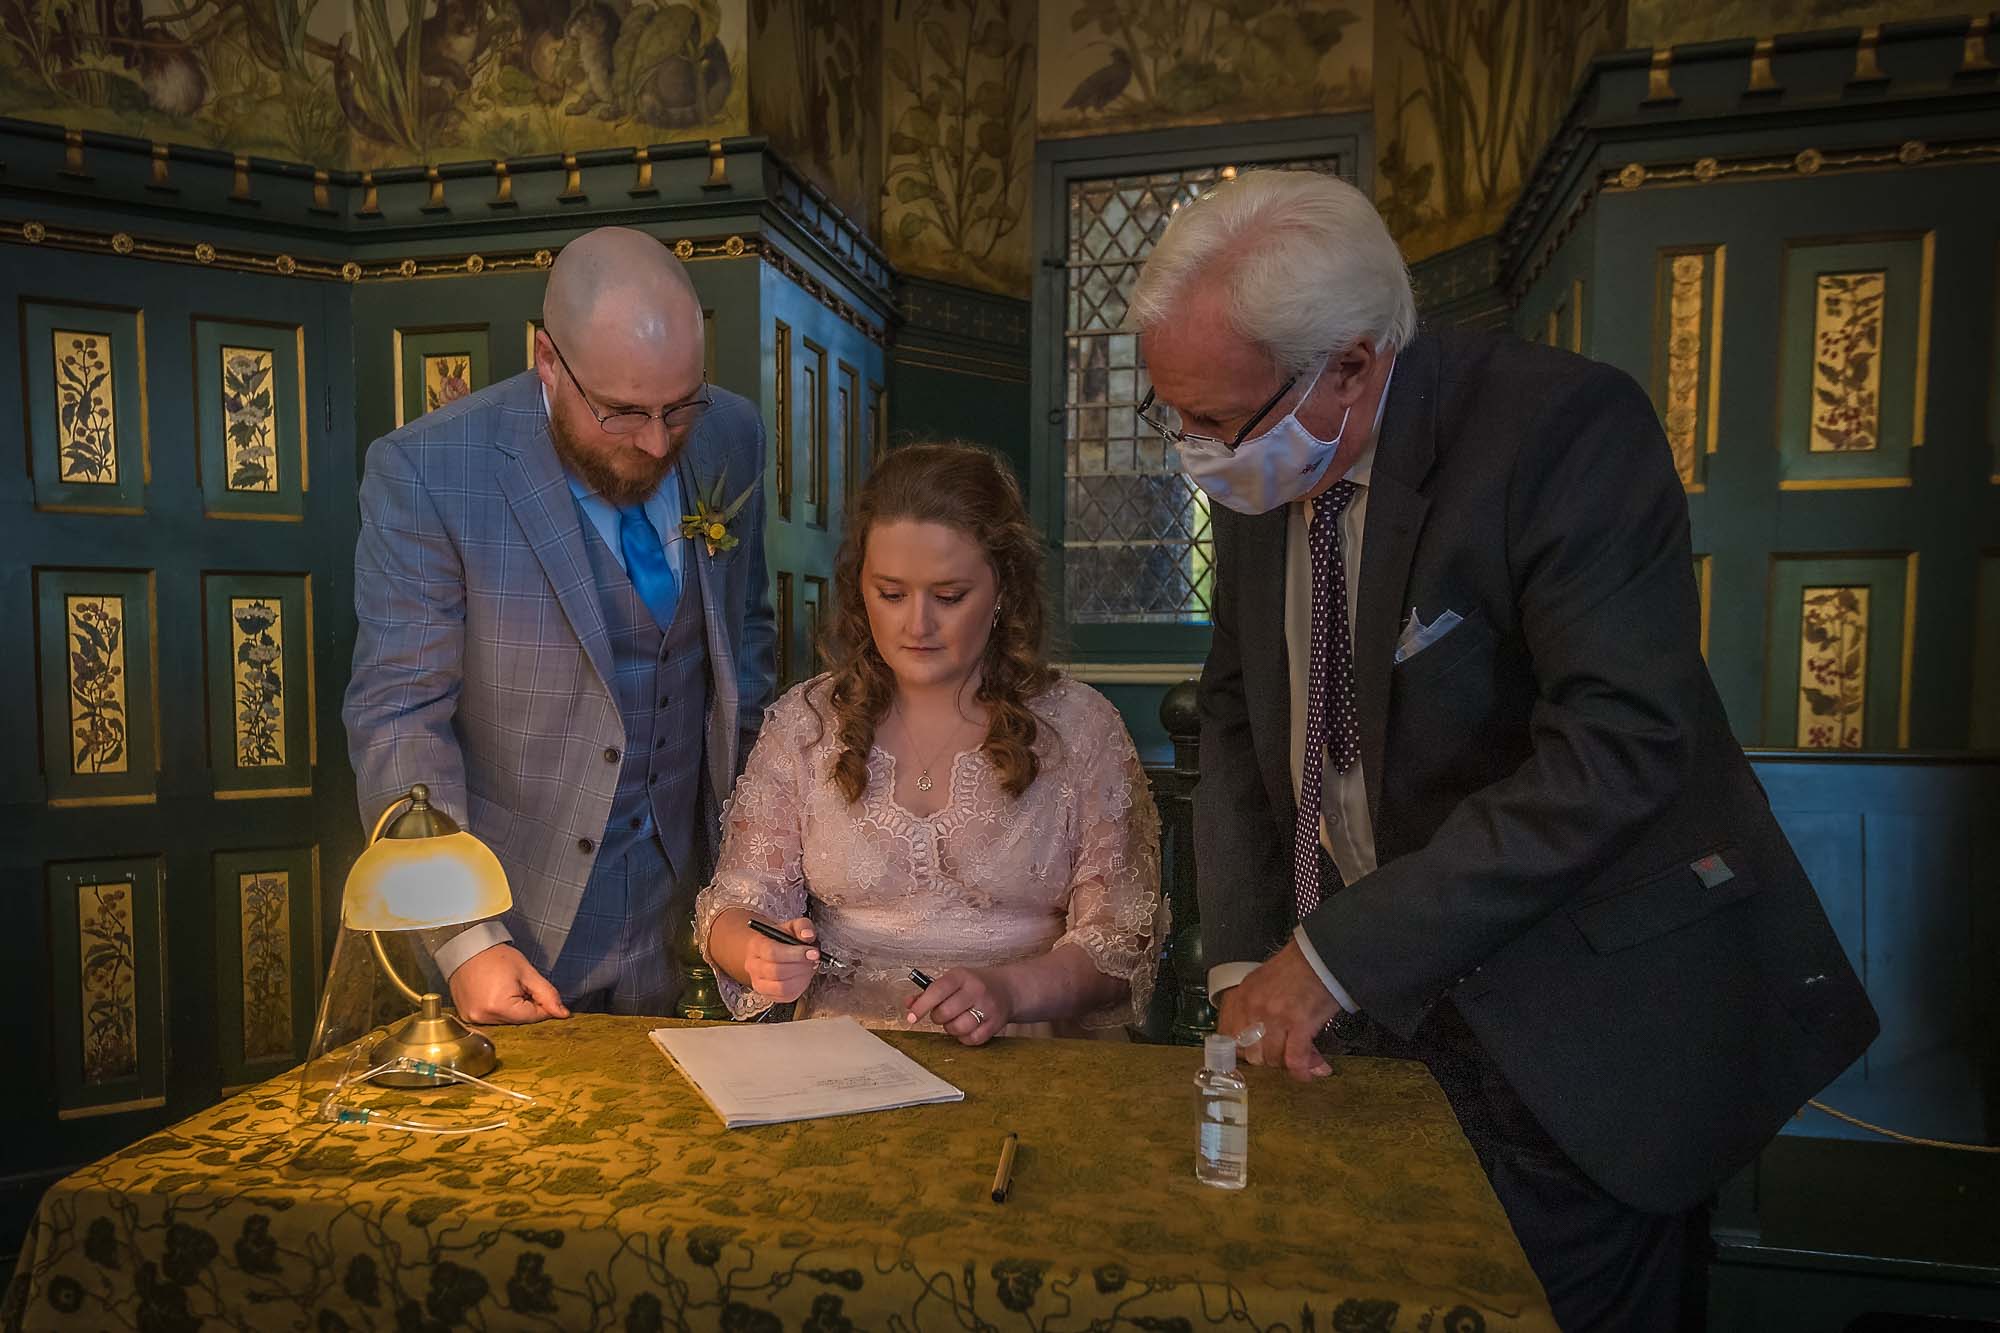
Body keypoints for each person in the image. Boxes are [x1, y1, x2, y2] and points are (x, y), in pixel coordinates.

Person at [1128, 170, 1878, 1330]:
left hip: (1575, 1030)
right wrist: (1242, 956)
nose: (1199, 454)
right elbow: (1233, 714)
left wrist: (1331, 953)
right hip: (1363, 1022)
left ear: (1353, 364)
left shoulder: (1559, 431)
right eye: (1171, 416)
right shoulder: (1265, 468)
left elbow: (1617, 750)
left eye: (1221, 421)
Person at [343, 226, 776, 1024]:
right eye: (622, 413)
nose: (655, 441)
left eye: (677, 409)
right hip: (519, 941)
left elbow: (746, 651)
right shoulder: (431, 473)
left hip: (694, 940)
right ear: (549, 362)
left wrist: (755, 873)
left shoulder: (732, 436)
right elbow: (400, 720)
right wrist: (465, 942)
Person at [696, 442, 1165, 1041]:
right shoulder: (806, 723)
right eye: (891, 595)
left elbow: (1121, 945)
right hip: (844, 1063)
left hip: (1035, 1058)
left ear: (1003, 591)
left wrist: (1011, 990)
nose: (916, 625)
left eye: (948, 597)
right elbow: (734, 905)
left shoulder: (1079, 729)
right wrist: (757, 954)